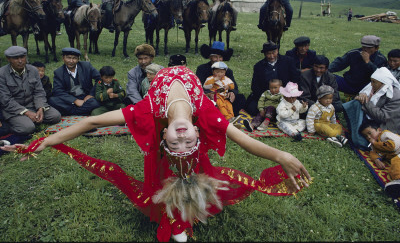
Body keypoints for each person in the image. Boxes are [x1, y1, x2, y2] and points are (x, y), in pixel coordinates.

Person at [2, 66, 311, 242]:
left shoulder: (152, 112)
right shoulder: (202, 111)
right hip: (172, 138)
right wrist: (279, 155)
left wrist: (41, 142)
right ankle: (180, 217)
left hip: (168, 148)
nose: (180, 139)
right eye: (183, 142)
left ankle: (182, 219)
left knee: (181, 176)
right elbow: (243, 139)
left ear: (165, 135)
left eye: (177, 144)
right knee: (176, 175)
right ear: (196, 132)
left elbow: (91, 121)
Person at [0, 46, 61, 136]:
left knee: (55, 116)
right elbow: (6, 100)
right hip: (15, 110)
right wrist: (27, 113)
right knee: (28, 128)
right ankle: (10, 124)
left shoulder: (33, 70)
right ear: (8, 59)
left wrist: (40, 108)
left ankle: (31, 119)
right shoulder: (2, 74)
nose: (20, 61)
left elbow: (39, 91)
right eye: (16, 58)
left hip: (32, 105)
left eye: (22, 57)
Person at [343, 67, 400, 150]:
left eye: (374, 82)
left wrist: (366, 102)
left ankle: (363, 141)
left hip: (384, 127)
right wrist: (362, 97)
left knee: (359, 104)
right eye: (371, 81)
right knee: (355, 104)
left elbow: (383, 117)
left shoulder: (396, 96)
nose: (371, 84)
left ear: (382, 83)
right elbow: (362, 94)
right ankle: (355, 131)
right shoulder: (376, 87)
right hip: (373, 118)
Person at [246, 41, 301, 116]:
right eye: (268, 53)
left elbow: (295, 80)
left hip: (286, 96)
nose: (272, 56)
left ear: (277, 51)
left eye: (274, 52)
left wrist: (287, 95)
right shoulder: (259, 66)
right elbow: (255, 86)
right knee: (252, 108)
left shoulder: (288, 61)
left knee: (298, 108)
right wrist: (266, 98)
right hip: (267, 96)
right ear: (265, 54)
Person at [196, 41, 246, 117]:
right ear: (210, 57)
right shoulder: (202, 69)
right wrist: (210, 94)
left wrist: (232, 92)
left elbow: (234, 86)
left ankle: (229, 116)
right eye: (215, 57)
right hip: (209, 95)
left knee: (240, 98)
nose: (218, 59)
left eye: (220, 57)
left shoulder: (228, 71)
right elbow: (199, 86)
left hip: (224, 95)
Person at [48, 48, 101, 116]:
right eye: (68, 58)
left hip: (85, 97)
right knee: (52, 100)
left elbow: (99, 78)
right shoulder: (59, 72)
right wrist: (74, 101)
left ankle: (69, 112)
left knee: (95, 102)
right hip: (69, 99)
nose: (71, 61)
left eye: (74, 58)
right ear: (63, 58)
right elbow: (58, 90)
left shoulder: (86, 66)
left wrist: (91, 94)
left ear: (78, 59)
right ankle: (83, 111)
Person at [359, 120, 400, 200]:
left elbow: (392, 146)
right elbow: (373, 153)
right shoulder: (376, 145)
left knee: (395, 161)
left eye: (370, 133)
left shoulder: (385, 135)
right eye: (366, 136)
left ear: (379, 130)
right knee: (392, 169)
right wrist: (377, 160)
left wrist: (375, 143)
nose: (369, 137)